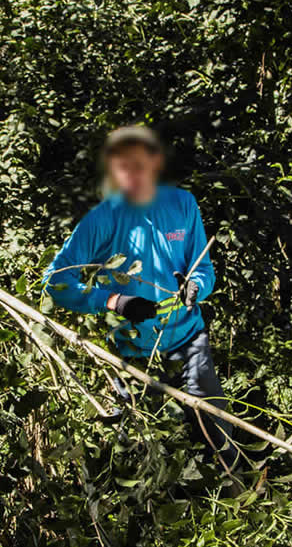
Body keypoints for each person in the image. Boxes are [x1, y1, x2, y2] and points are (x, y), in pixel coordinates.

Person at [42, 126, 237, 469]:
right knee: (137, 449)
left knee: (216, 432)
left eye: (138, 165)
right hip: (129, 353)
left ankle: (236, 493)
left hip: (187, 340)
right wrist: (113, 302)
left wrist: (196, 287)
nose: (131, 175)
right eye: (121, 167)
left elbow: (203, 268)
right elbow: (55, 282)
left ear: (154, 163)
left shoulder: (182, 205)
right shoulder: (103, 219)